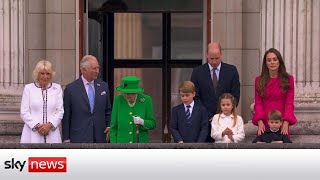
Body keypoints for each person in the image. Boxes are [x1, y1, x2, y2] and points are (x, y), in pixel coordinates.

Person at [191, 42, 240, 142]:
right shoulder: (197, 72)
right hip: (204, 122)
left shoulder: (231, 71)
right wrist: (208, 116)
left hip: (226, 121)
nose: (214, 62)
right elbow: (195, 97)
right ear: (206, 55)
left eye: (217, 58)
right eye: (211, 58)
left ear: (221, 55)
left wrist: (222, 114)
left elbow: (235, 95)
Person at [62, 55, 112, 143]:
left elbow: (108, 110)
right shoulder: (70, 89)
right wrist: (66, 139)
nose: (97, 71)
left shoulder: (103, 86)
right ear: (83, 70)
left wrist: (109, 126)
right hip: (78, 138)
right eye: (94, 68)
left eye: (98, 68)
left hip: (100, 137)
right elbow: (67, 116)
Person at [252, 48, 297, 137]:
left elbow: (289, 103)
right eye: (269, 60)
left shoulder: (289, 79)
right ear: (266, 63)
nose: (272, 62)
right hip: (264, 122)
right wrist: (260, 121)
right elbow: (258, 103)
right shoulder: (259, 80)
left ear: (279, 62)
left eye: (274, 59)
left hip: (281, 122)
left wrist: (286, 121)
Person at [20, 60, 63, 143]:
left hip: (52, 134)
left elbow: (60, 111)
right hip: (32, 135)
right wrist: (37, 126)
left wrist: (49, 126)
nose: (45, 76)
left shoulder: (57, 88)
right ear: (37, 74)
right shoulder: (29, 88)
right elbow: (24, 112)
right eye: (42, 73)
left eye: (48, 74)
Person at [110, 76, 156, 143]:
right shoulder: (118, 100)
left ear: (136, 92)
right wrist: (113, 147)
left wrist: (142, 122)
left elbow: (153, 124)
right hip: (122, 145)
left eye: (128, 93)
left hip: (140, 145)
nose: (126, 95)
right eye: (124, 93)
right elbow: (113, 127)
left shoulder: (146, 100)